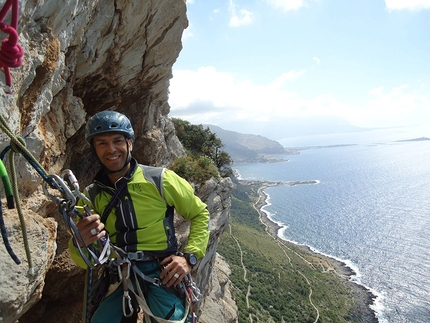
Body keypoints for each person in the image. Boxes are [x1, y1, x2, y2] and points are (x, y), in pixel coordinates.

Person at [68, 110, 210, 323]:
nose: (111, 149)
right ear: (94, 149)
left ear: (130, 144)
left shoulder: (160, 179)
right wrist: (78, 242)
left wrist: (189, 257)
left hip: (161, 272)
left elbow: (200, 213)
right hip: (118, 274)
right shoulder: (90, 197)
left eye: (117, 141)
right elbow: (84, 262)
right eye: (102, 143)